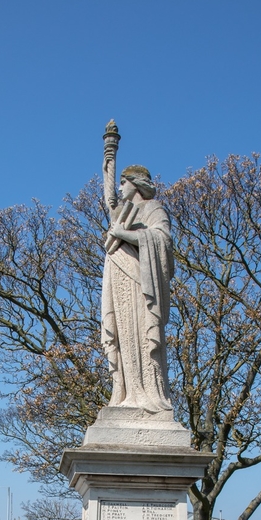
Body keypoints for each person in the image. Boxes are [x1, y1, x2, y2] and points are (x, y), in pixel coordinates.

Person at [101, 159, 174, 413]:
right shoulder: (122, 211)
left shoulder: (153, 209)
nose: (120, 188)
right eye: (119, 183)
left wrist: (123, 234)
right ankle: (124, 393)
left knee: (142, 335)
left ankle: (147, 396)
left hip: (141, 284)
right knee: (122, 337)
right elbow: (109, 198)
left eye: (123, 183)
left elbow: (162, 239)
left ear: (136, 183)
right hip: (119, 279)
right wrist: (108, 160)